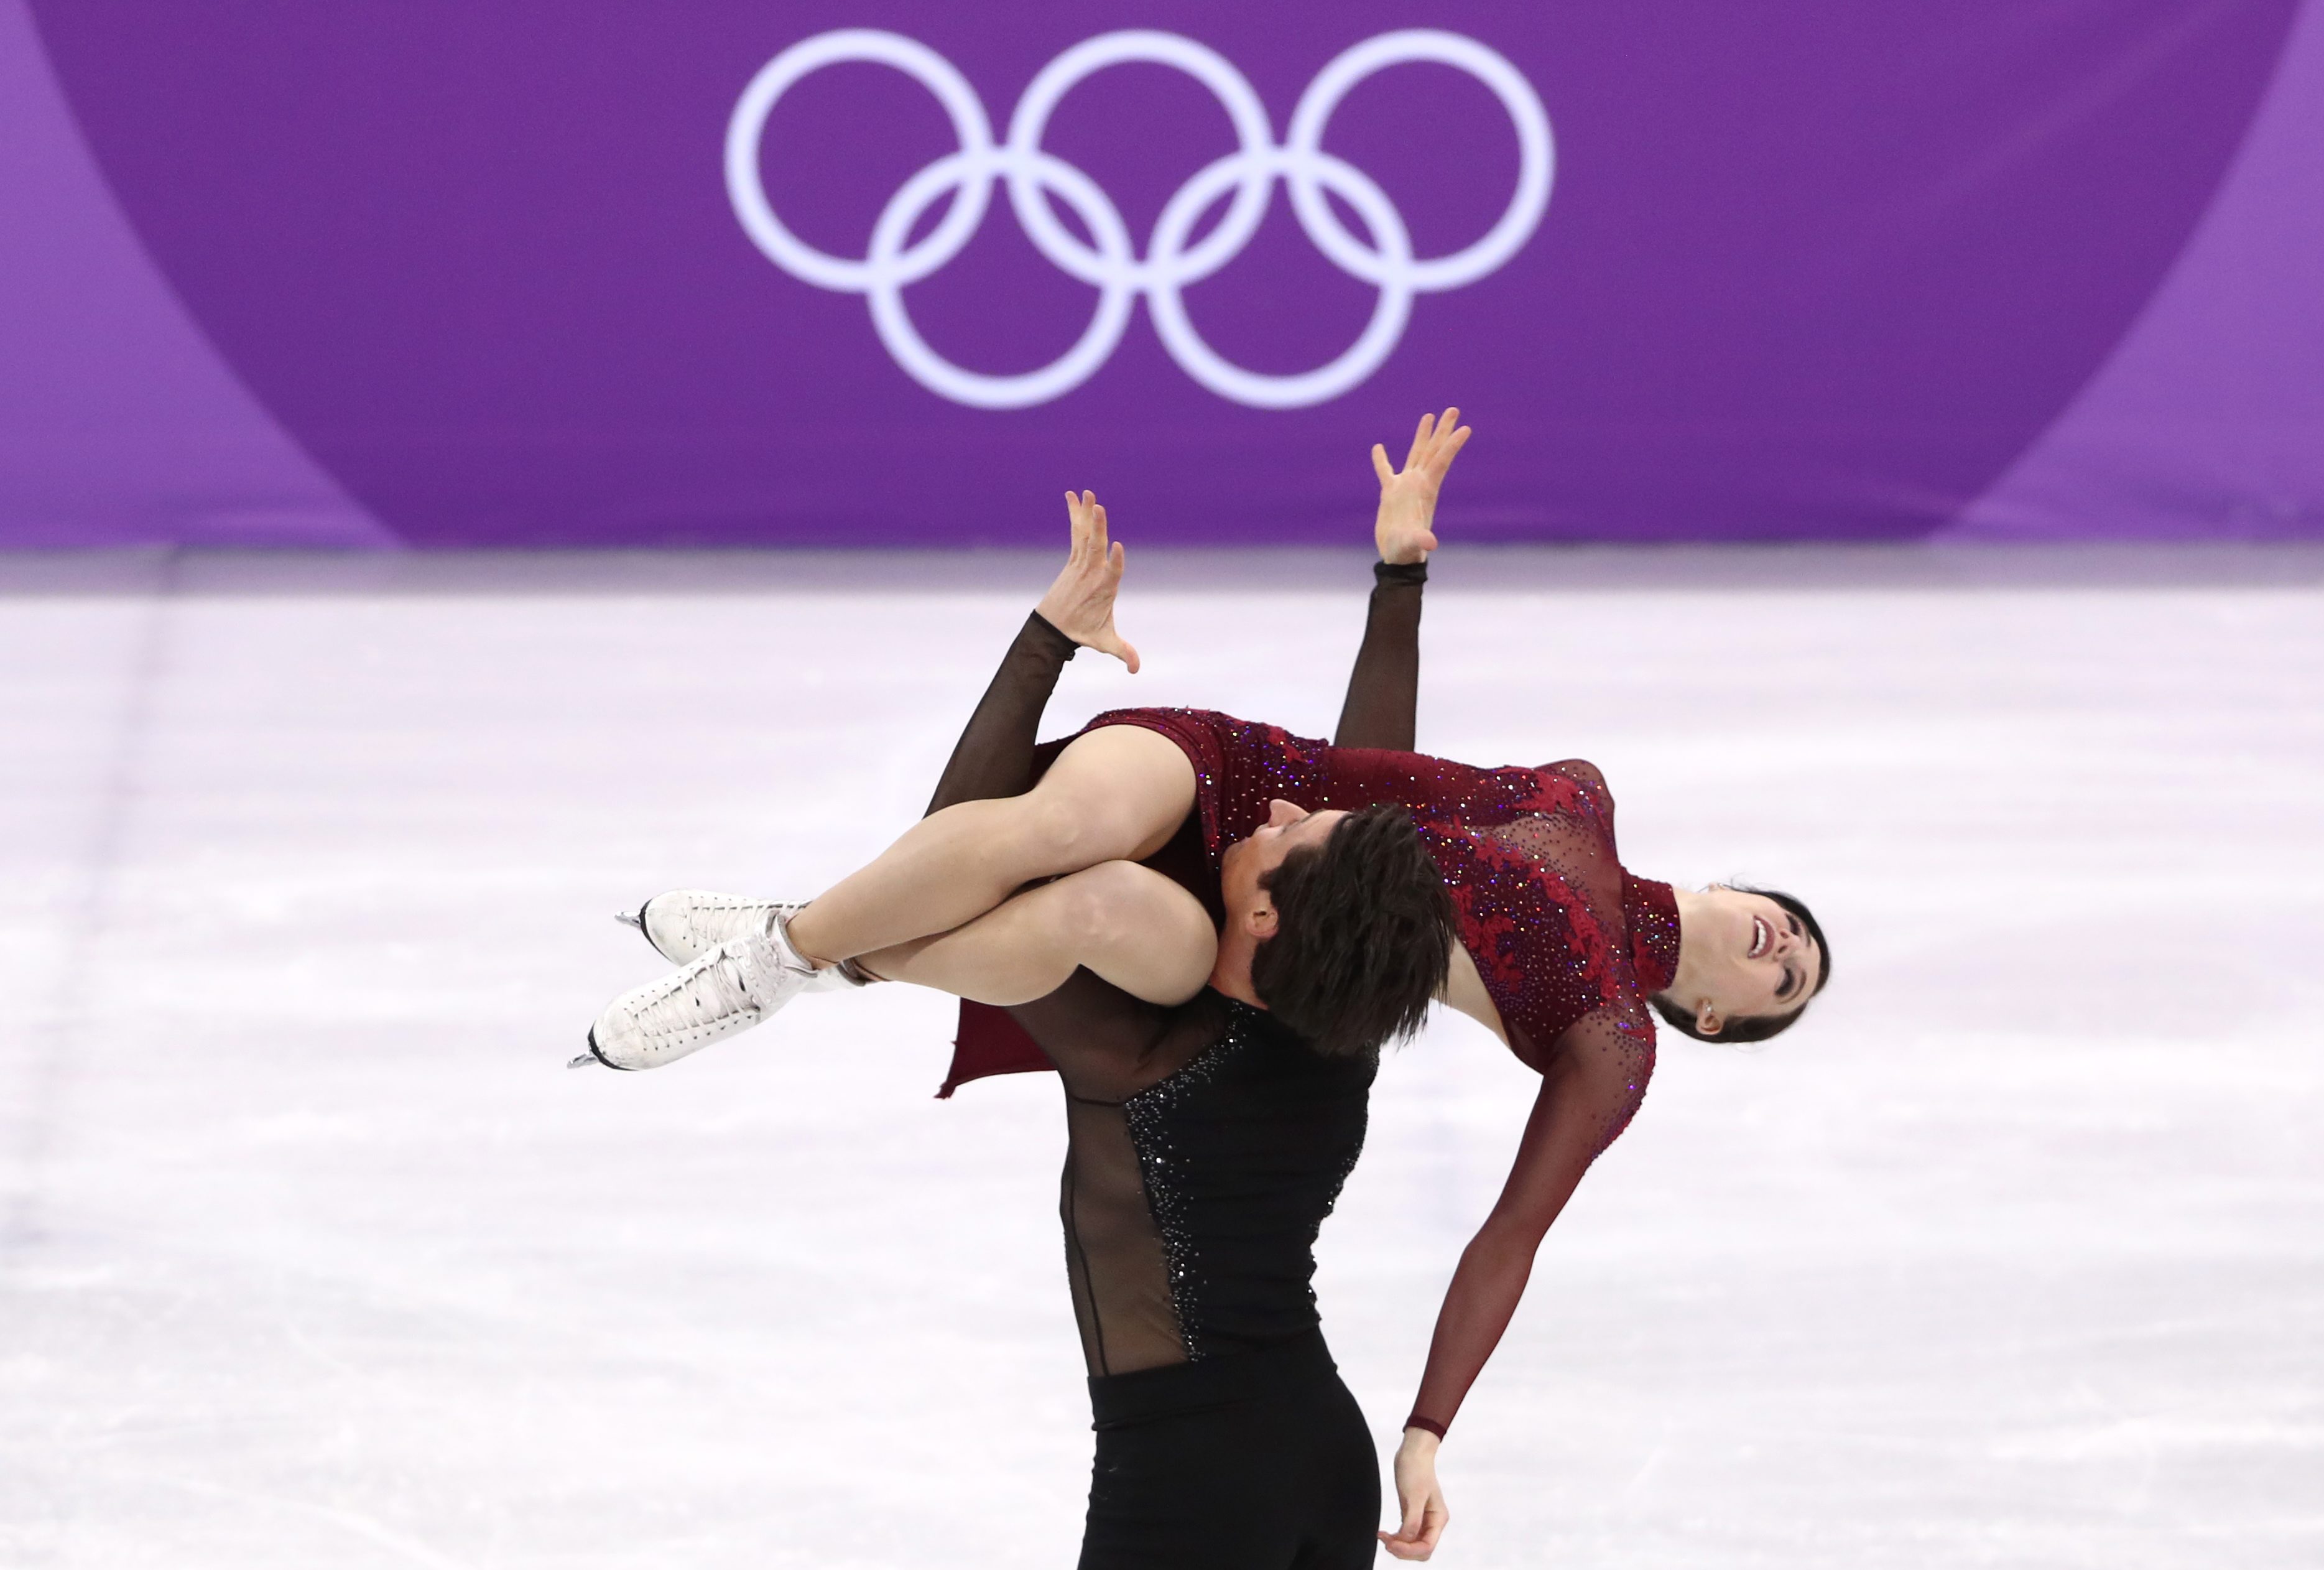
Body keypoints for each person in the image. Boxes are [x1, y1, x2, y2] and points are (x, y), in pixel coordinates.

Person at [588, 411, 1833, 1558]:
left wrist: (1431, 1423)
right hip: (1258, 807)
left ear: (1712, 1016)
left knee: (1071, 899)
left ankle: (811, 943)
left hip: (1279, 955)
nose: (1782, 944)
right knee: (1036, 850)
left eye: (1787, 984)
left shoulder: (1607, 1039)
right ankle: (802, 947)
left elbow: (1509, 1229)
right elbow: (1364, 780)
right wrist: (1398, 576)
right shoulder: (1580, 798)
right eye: (1790, 926)